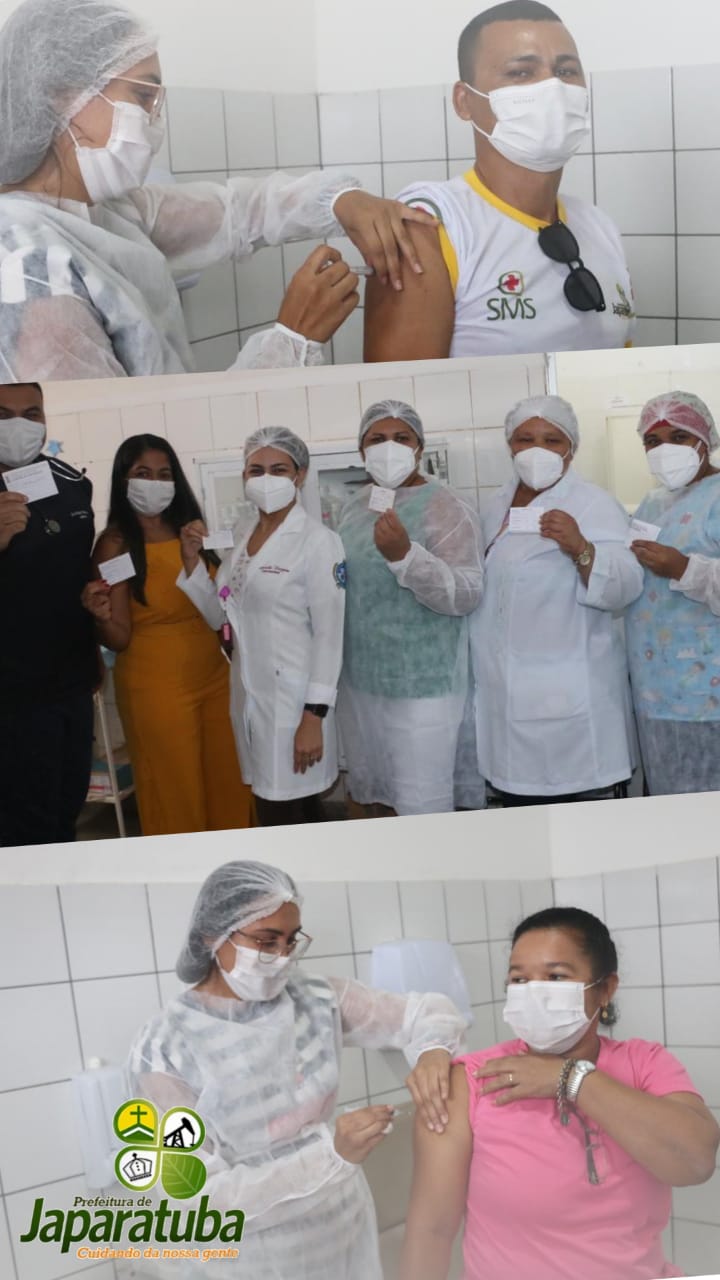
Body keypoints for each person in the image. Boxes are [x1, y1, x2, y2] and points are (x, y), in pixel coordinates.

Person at [0, 0, 438, 381]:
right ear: (62, 96)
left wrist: (341, 201)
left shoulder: (108, 212)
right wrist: (291, 338)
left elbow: (240, 211)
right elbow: (118, 440)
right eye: (142, 96)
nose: (154, 121)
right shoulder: (28, 267)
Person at [128, 859, 468, 1280]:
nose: (281, 957)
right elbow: (193, 1195)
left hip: (340, 1237)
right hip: (243, 1261)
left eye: (290, 941)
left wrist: (433, 1050)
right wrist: (331, 1156)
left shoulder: (315, 998)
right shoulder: (165, 1048)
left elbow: (426, 1014)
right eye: (266, 941)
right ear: (213, 935)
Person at [400, 905, 720, 1280]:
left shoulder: (644, 1064)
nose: (534, 993)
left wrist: (572, 1079)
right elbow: (431, 1231)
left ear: (605, 989)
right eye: (519, 979)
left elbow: (696, 1162)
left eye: (556, 976)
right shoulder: (470, 1081)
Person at [364, 0, 635, 362]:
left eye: (566, 71)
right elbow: (400, 394)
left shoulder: (600, 228)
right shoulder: (429, 225)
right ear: (464, 101)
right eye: (521, 73)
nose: (552, 88)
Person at [469, 395, 644, 805]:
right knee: (520, 817)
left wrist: (581, 547)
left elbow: (626, 586)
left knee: (574, 824)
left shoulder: (593, 504)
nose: (537, 450)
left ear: (571, 449)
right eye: (525, 439)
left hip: (568, 699)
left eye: (551, 440)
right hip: (503, 697)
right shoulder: (494, 505)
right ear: (510, 446)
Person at [81, 434, 253, 836]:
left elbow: (220, 606)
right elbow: (118, 637)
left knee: (228, 781)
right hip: (155, 686)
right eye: (143, 473)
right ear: (124, 479)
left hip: (215, 677)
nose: (155, 483)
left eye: (164, 474)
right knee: (176, 790)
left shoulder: (191, 532)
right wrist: (99, 617)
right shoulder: (116, 544)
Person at [177, 427, 346, 827]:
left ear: (299, 475)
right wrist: (191, 563)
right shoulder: (242, 535)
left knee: (286, 815)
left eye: (279, 469)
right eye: (256, 469)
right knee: (282, 810)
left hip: (295, 704)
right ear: (244, 476)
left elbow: (330, 636)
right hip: (251, 699)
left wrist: (313, 717)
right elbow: (223, 614)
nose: (266, 478)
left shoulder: (318, 542)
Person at [337, 400, 484, 817]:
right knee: (374, 793)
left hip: (424, 685)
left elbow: (466, 593)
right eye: (377, 439)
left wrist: (406, 557)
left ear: (419, 448)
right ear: (362, 450)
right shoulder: (356, 507)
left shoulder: (446, 505)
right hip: (364, 682)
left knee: (422, 804)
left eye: (401, 438)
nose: (389, 448)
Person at [0, 382, 99, 846]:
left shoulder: (72, 483)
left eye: (32, 413)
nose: (19, 426)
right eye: (3, 414)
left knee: (66, 809)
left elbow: (77, 571)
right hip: (12, 694)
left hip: (72, 681)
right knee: (24, 826)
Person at [626, 391, 720, 796]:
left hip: (708, 693)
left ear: (705, 439)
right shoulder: (651, 503)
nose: (664, 449)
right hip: (655, 689)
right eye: (653, 441)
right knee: (669, 806)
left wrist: (684, 568)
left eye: (678, 437)